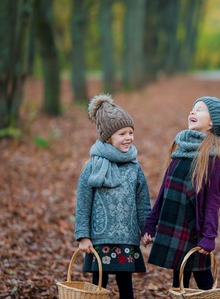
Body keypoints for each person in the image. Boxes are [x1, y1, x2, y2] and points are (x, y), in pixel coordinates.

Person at [141, 96, 220, 290]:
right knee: (179, 280)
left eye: (200, 110)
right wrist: (151, 225)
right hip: (174, 223)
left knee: (203, 278)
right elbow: (164, 191)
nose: (192, 112)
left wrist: (209, 235)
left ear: (212, 122)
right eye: (192, 108)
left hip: (195, 229)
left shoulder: (213, 159)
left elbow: (213, 203)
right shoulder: (180, 147)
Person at [75, 94, 151, 299]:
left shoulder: (134, 167)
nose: (129, 137)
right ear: (108, 137)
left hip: (126, 238)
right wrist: (83, 236)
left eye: (131, 132)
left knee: (125, 284)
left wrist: (147, 229)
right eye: (122, 133)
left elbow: (142, 202)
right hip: (99, 238)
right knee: (98, 285)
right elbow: (83, 203)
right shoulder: (93, 166)